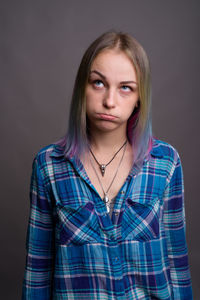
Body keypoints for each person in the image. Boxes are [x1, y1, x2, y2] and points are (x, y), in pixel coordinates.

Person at [22, 31, 193, 299]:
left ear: (140, 97)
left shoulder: (165, 163)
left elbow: (177, 265)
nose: (110, 102)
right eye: (99, 83)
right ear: (83, 87)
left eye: (126, 87)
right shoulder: (49, 166)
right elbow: (38, 271)